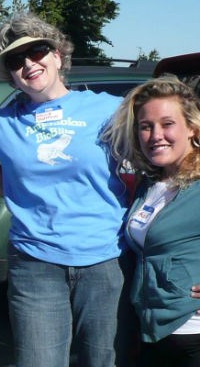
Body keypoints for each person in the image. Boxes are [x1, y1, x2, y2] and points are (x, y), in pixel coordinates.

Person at [0, 12, 134, 366]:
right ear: (11, 76)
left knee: (102, 361)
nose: (29, 64)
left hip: (105, 261)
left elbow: (173, 151)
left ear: (58, 55)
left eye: (38, 51)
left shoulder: (111, 109)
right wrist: (10, 189)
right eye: (16, 61)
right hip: (35, 265)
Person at [101, 76, 200, 366]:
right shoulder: (151, 184)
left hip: (193, 335)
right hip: (151, 333)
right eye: (146, 126)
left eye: (167, 124)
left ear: (192, 128)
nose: (156, 135)